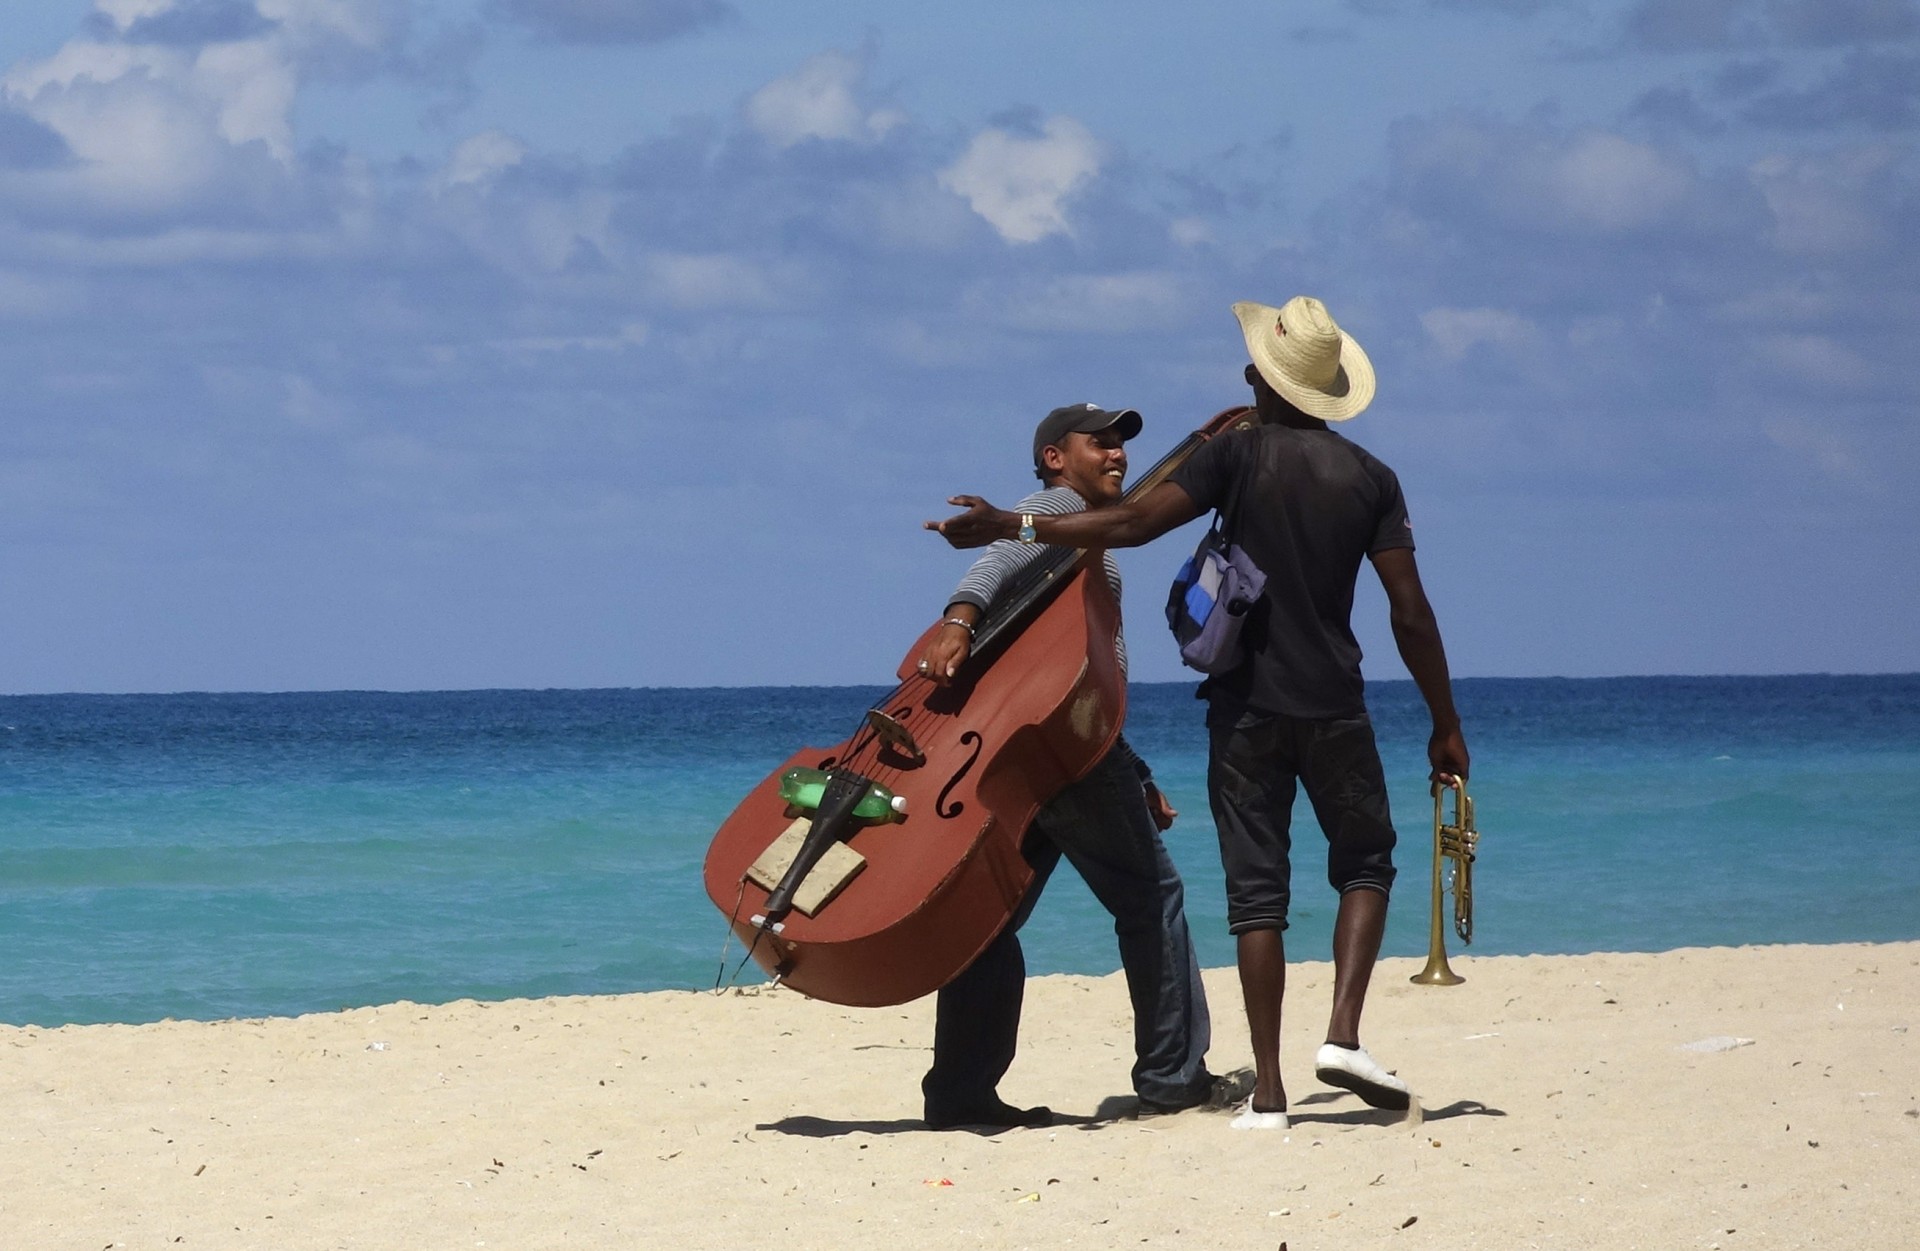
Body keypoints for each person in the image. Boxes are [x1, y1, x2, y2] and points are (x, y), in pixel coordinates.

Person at [928, 298, 1470, 1131]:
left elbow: (1130, 545)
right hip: (1311, 709)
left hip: (1209, 718)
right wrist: (1445, 717)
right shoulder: (1369, 477)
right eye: (1099, 440)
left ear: (1265, 377)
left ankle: (1261, 1094)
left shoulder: (1231, 458)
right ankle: (1279, 1050)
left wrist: (1015, 521)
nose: (1116, 450)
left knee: (1243, 901)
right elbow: (1411, 611)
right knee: (1315, 872)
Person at [917, 402, 1214, 1131]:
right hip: (1068, 756)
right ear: (1055, 457)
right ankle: (1173, 1079)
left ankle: (960, 1090)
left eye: (1121, 446)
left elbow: (1082, 674)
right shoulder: (1055, 508)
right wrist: (958, 619)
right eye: (1101, 443)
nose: (1116, 455)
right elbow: (995, 560)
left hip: (1035, 751)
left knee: (989, 924)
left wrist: (1137, 770)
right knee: (1151, 900)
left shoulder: (1085, 535)